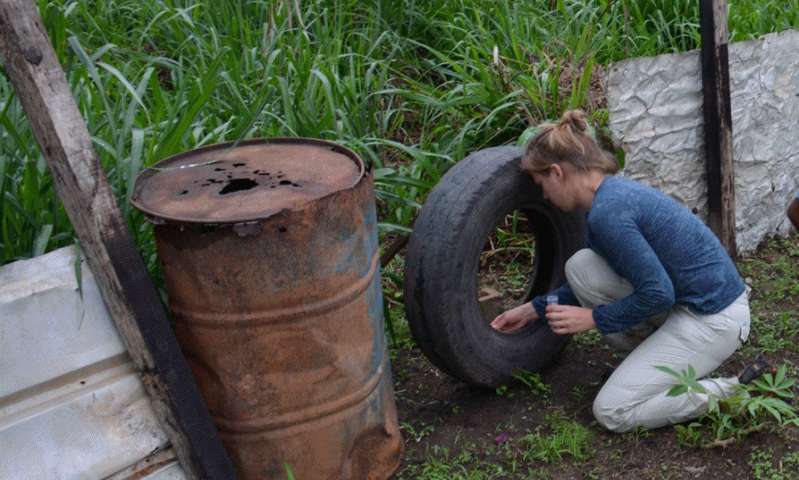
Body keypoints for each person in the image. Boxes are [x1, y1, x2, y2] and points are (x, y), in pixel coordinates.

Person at [490, 110, 764, 432]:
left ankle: (736, 389)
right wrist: (532, 309)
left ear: (557, 172)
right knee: (582, 267)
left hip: (713, 319)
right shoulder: (611, 197)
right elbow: (628, 278)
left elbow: (659, 293)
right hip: (692, 306)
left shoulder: (608, 214)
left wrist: (594, 319)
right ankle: (652, 366)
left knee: (612, 411)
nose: (545, 196)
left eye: (541, 185)